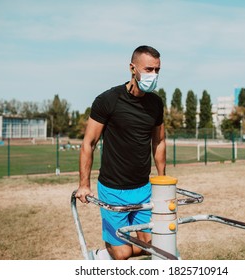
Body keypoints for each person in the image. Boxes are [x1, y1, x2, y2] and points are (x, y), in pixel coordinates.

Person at [75, 45, 166, 260]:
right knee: (122, 254)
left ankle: (109, 254)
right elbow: (89, 142)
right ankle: (100, 256)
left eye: (157, 70)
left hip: (143, 188)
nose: (153, 75)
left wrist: (162, 179)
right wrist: (84, 184)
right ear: (132, 68)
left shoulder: (156, 103)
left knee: (153, 247)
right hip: (113, 189)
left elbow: (159, 141)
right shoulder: (108, 100)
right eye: (148, 69)